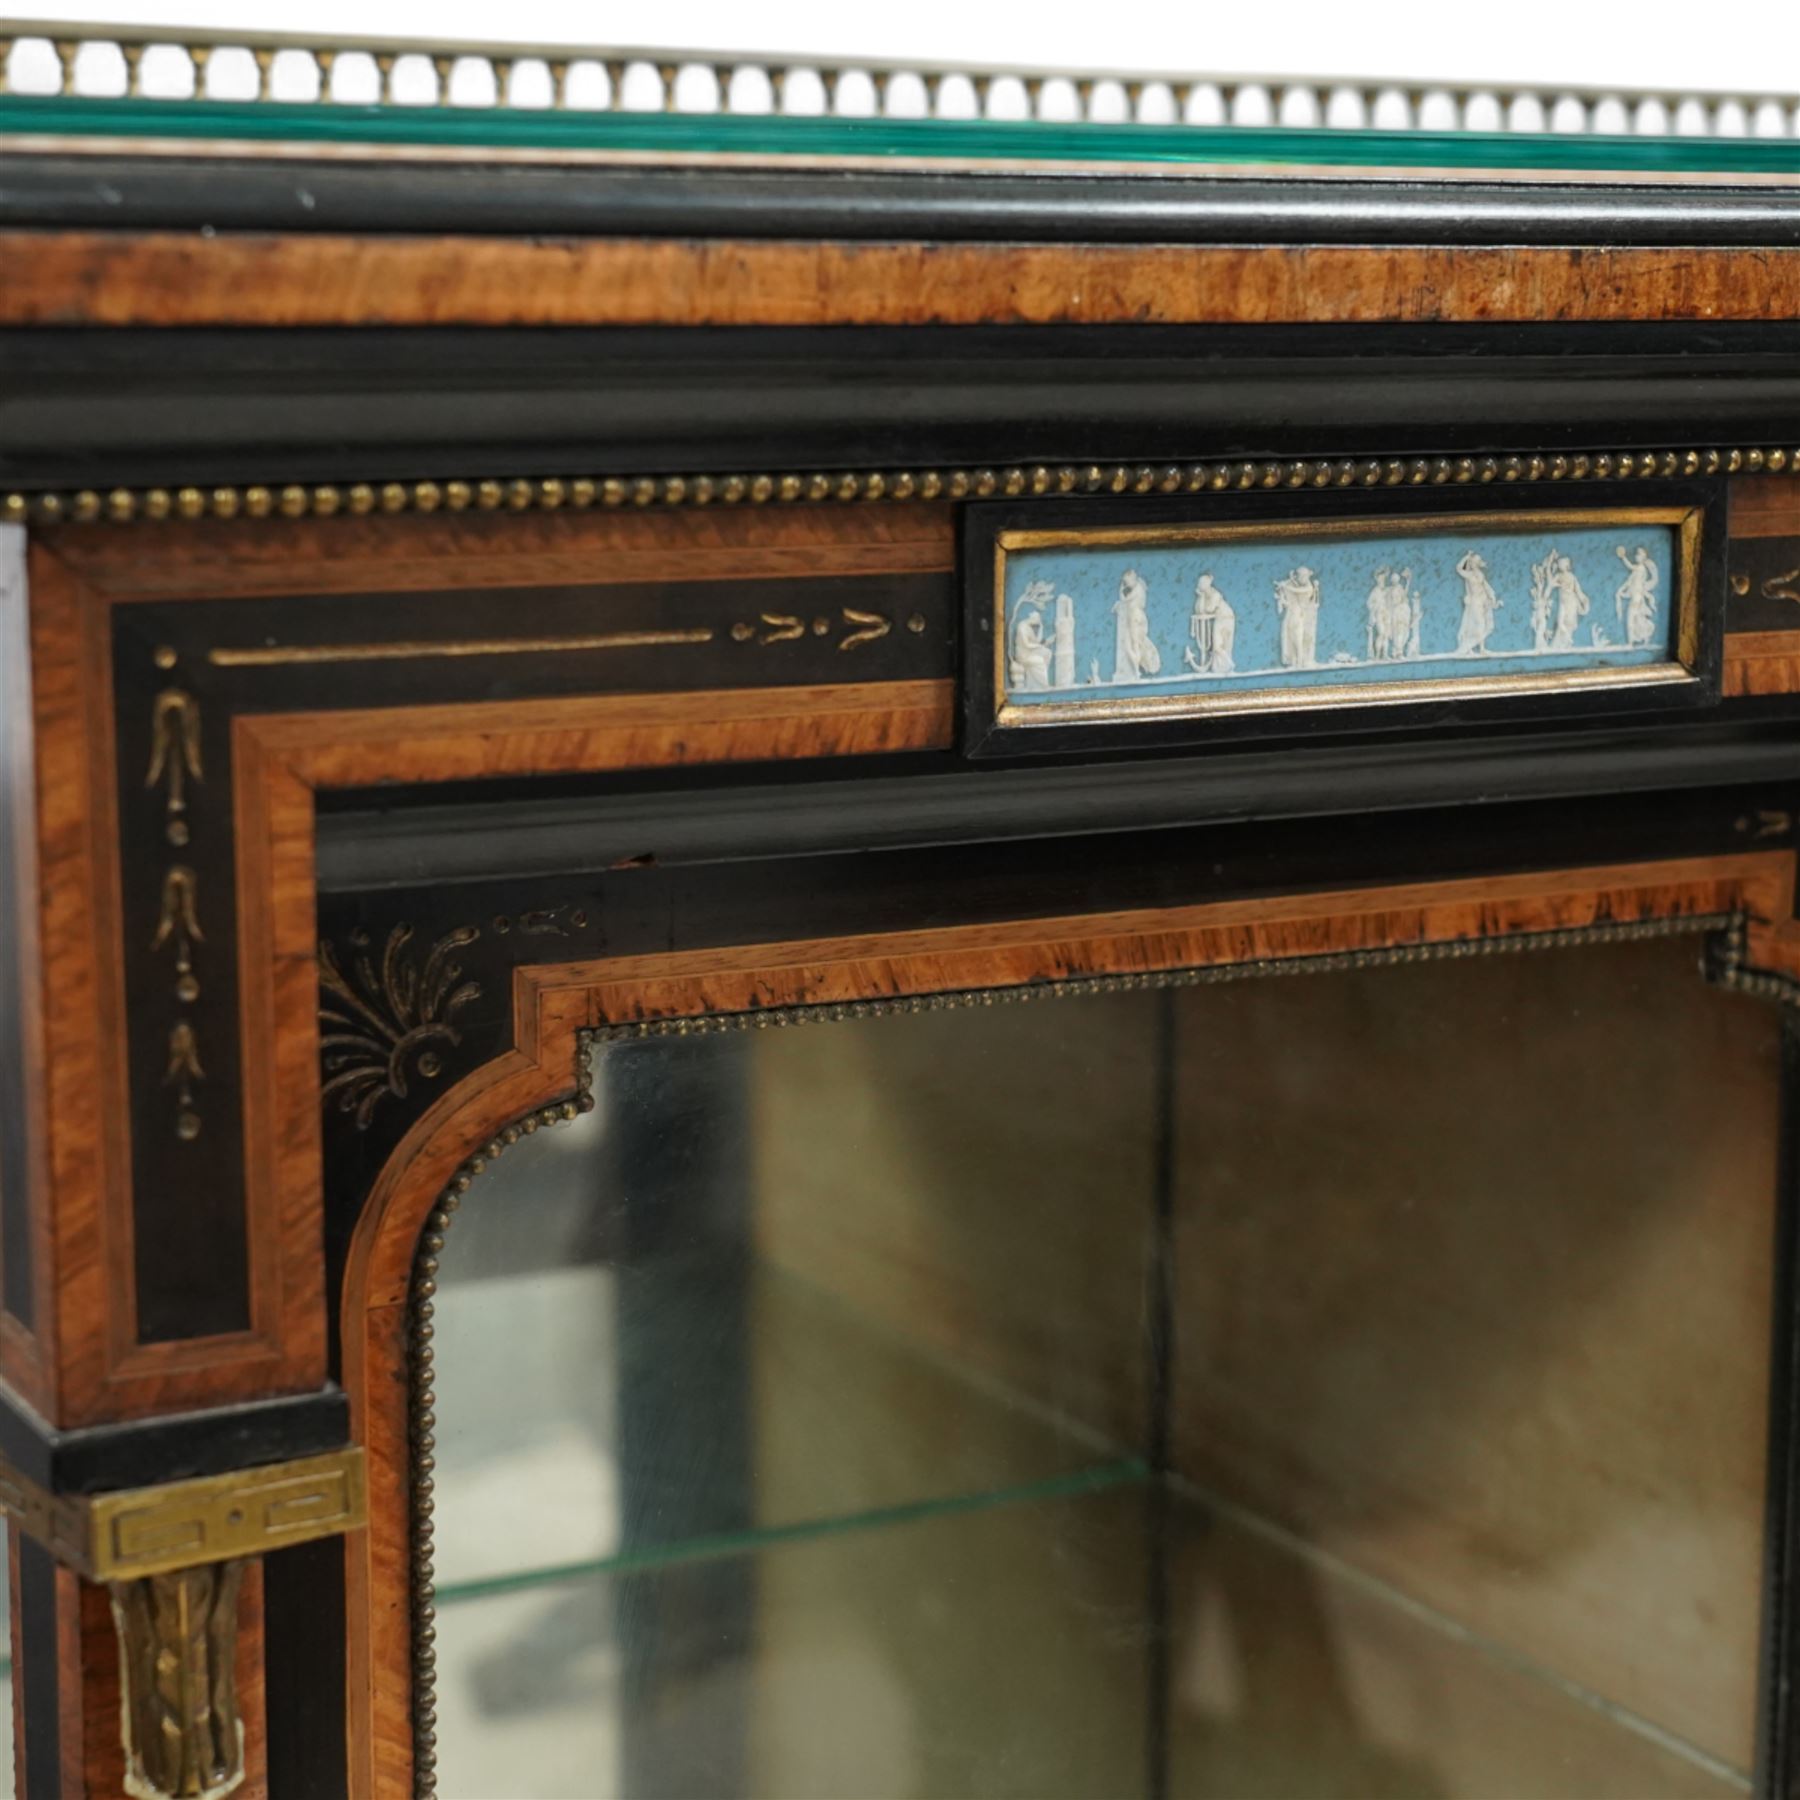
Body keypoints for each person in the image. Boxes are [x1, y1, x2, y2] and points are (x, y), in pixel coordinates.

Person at [1111, 568, 1161, 681]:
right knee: (1130, 645)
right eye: (1125, 583)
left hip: (1136, 619)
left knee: (1134, 645)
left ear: (1132, 579)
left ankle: (1137, 671)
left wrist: (1121, 591)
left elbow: (1124, 599)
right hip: (1133, 618)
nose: (1126, 585)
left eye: (1127, 582)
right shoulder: (1136, 588)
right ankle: (1136, 669)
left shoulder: (1138, 589)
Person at [1185, 572, 1236, 674]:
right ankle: (1221, 667)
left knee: (1221, 645)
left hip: (1226, 618)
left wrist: (1201, 597)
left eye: (1200, 585)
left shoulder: (1215, 595)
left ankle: (1228, 665)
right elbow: (1199, 610)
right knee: (1218, 645)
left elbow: (1209, 609)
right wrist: (1201, 597)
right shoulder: (1206, 596)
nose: (1199, 587)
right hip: (1220, 618)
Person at [1455, 550, 1502, 654]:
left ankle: (1481, 648)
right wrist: (1466, 557)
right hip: (1475, 602)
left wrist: (1492, 599)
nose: (1476, 564)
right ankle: (1469, 647)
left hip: (1482, 601)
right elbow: (1458, 568)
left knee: (1483, 624)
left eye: (1477, 562)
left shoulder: (1480, 574)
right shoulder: (1469, 575)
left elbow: (1485, 586)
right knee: (1478, 625)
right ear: (1471, 563)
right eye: (1475, 562)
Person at [1274, 565, 1322, 668]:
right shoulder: (1292, 585)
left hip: (1300, 617)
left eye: (1304, 576)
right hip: (1291, 616)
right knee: (1291, 639)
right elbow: (1286, 599)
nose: (1303, 579)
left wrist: (1285, 586)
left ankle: (1300, 662)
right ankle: (1294, 661)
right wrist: (1284, 587)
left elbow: (1299, 591)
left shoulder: (1309, 587)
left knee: (1298, 640)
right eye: (1301, 576)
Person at [1614, 544, 1659, 648]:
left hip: (1637, 598)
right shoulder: (1638, 570)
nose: (1636, 556)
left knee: (1631, 618)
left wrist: (1623, 557)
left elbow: (1630, 567)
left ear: (1644, 557)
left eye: (1638, 554)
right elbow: (1629, 581)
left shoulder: (1640, 568)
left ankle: (1631, 642)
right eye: (1636, 554)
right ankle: (1639, 639)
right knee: (1637, 619)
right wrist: (1622, 590)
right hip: (1636, 597)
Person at [1550, 553, 1591, 651]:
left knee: (1569, 623)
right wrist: (1558, 584)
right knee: (1560, 622)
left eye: (1561, 563)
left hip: (1571, 601)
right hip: (1563, 603)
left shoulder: (1572, 577)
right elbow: (1551, 583)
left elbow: (1578, 591)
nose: (1559, 564)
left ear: (1567, 565)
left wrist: (1584, 600)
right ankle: (1564, 642)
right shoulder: (1558, 576)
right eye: (1559, 563)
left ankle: (1566, 644)